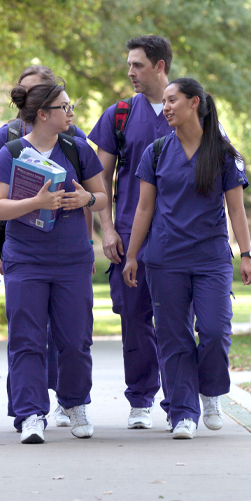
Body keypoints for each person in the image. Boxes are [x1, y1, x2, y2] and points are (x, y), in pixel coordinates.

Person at [122, 78, 251, 439]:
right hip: (165, 259)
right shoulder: (155, 152)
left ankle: (210, 392)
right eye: (164, 102)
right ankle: (182, 412)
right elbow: (144, 207)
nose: (165, 107)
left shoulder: (225, 154)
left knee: (214, 331)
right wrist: (132, 255)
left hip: (211, 258)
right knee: (173, 336)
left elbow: (237, 209)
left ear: (194, 103)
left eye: (172, 100)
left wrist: (246, 254)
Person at [0, 81, 107, 444]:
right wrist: (36, 203)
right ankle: (31, 414)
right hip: (25, 259)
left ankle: (75, 403)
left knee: (74, 340)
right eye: (64, 108)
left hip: (72, 260)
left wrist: (86, 199)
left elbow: (102, 197)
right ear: (42, 114)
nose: (71, 114)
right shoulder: (10, 153)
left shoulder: (77, 148)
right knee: (27, 339)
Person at [88, 35, 174, 429]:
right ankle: (140, 400)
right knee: (135, 321)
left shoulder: (193, 108)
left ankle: (180, 401)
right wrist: (107, 230)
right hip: (129, 233)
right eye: (129, 65)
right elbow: (99, 179)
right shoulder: (119, 115)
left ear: (159, 66)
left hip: (179, 234)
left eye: (137, 65)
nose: (130, 72)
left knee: (178, 319)